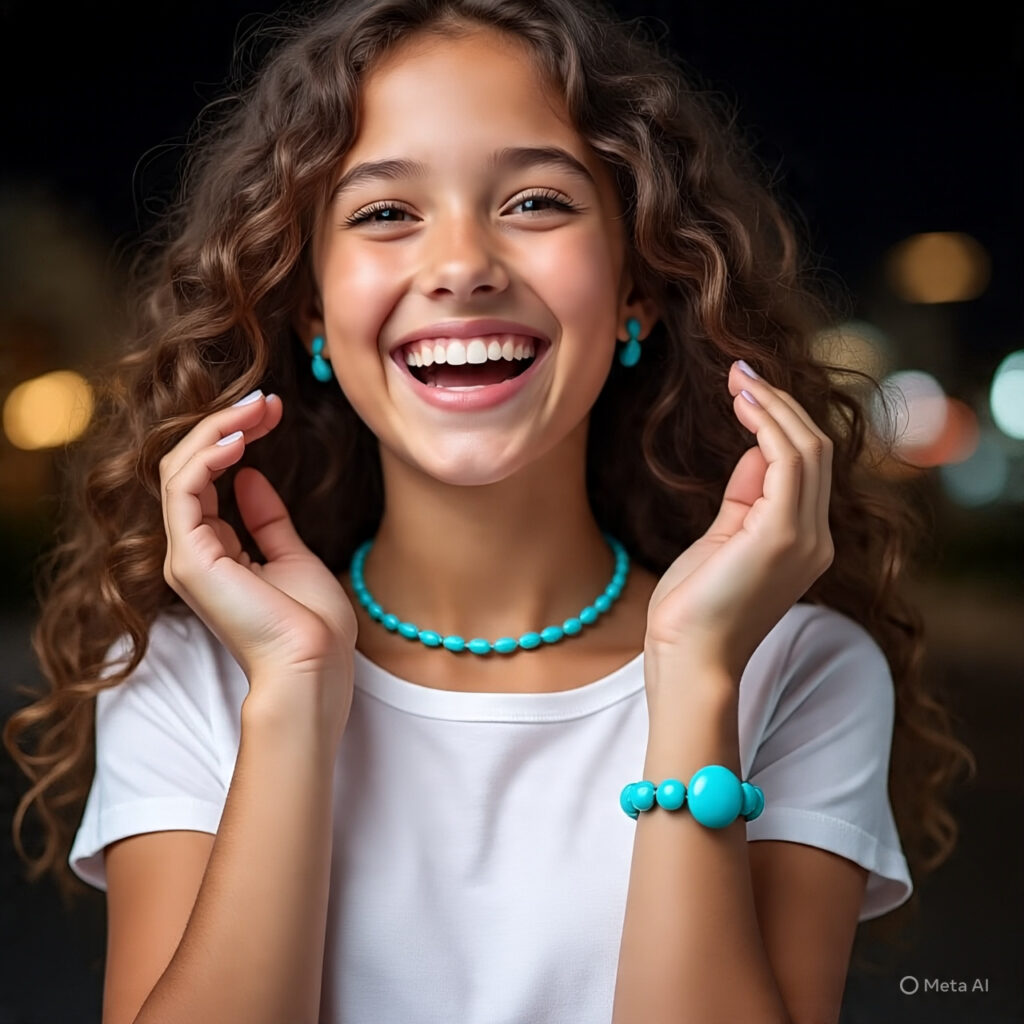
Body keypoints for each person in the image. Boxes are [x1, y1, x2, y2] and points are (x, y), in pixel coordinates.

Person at [3, 0, 975, 1022]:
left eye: (536, 203)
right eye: (384, 212)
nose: (462, 265)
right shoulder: (195, 672)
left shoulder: (790, 668)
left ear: (638, 287)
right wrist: (290, 696)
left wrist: (691, 673)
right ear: (312, 313)